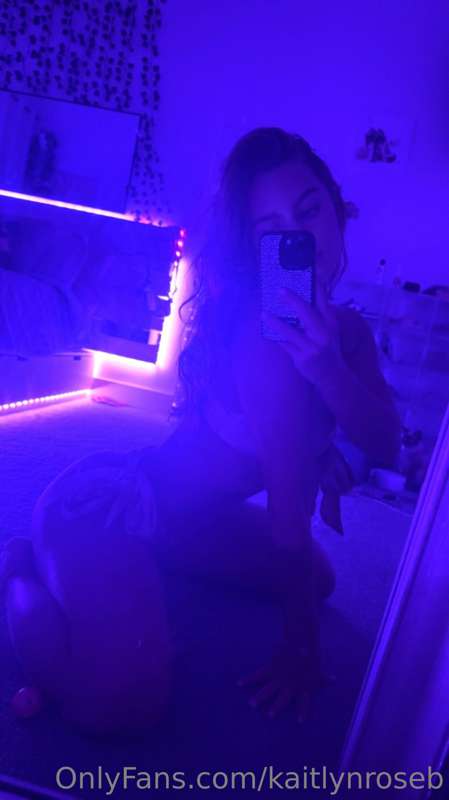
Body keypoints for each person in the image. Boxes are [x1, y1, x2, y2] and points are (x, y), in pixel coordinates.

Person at [1, 127, 401, 734]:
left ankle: (128, 577)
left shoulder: (350, 333)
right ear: (253, 249)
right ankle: (17, 568)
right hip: (116, 505)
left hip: (189, 523)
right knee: (120, 705)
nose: (300, 238)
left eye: (309, 211)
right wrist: (300, 645)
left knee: (318, 579)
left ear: (337, 209)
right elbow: (287, 511)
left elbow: (385, 442)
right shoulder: (261, 344)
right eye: (271, 229)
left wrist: (328, 370)